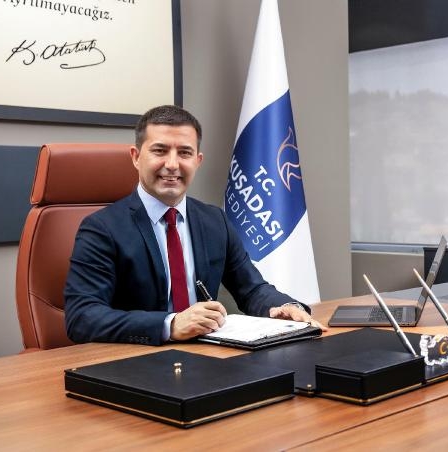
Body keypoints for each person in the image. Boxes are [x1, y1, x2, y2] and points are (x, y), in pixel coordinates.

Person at [64, 104, 326, 345]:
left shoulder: (215, 221)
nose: (172, 164)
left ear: (197, 161)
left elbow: (252, 289)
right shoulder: (101, 229)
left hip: (207, 357)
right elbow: (82, 317)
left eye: (184, 153)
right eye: (160, 150)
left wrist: (285, 307)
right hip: (136, 361)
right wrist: (170, 324)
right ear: (136, 156)